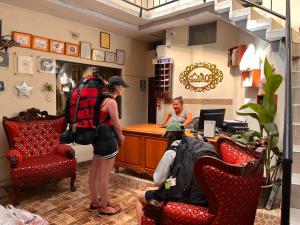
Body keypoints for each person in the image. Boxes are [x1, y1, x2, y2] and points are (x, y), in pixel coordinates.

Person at [136, 122, 219, 225]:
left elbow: (157, 180)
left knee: (139, 195)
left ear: (170, 137)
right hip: (206, 197)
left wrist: (168, 182)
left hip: (186, 195)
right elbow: (181, 177)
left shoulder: (172, 151)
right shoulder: (195, 144)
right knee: (153, 188)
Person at [88, 76, 129, 217]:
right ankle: (104, 207)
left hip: (98, 139)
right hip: (108, 140)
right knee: (104, 176)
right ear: (117, 87)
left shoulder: (101, 99)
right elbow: (116, 124)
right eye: (122, 86)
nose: (123, 89)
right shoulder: (111, 102)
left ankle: (95, 203)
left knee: (94, 174)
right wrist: (121, 136)